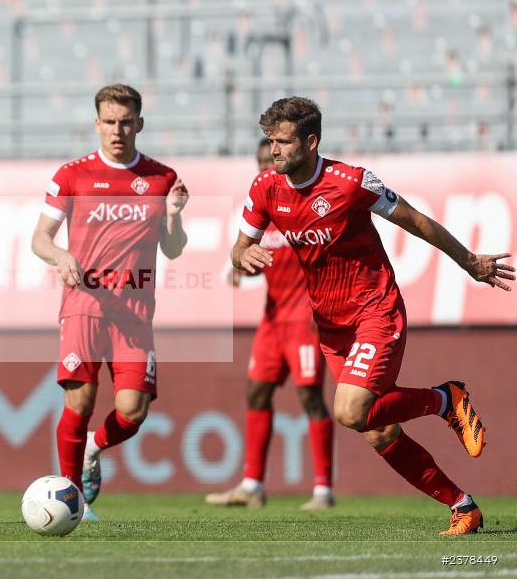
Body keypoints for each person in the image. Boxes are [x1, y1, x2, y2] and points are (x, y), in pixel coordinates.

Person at [233, 96, 514, 535]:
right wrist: (242, 255)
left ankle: (445, 399)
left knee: (349, 409)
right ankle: (463, 505)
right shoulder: (265, 188)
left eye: (283, 141)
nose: (274, 150)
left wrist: (469, 261)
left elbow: (417, 221)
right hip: (330, 325)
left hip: (375, 310)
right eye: (271, 140)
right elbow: (238, 247)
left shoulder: (351, 182)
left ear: (310, 141)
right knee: (378, 431)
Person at [31, 84, 189, 520]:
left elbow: (173, 249)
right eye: (109, 122)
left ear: (139, 123)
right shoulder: (72, 175)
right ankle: (71, 500)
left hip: (135, 311)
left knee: (133, 410)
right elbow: (40, 239)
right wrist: (62, 256)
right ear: (96, 124)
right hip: (84, 302)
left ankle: (93, 451)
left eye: (125, 122)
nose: (117, 130)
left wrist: (173, 216)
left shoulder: (161, 178)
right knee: (79, 402)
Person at [206, 138, 334, 510]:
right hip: (272, 318)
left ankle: (323, 490)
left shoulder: (302, 205)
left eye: (272, 157)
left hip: (306, 317)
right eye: (261, 159)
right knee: (256, 392)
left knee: (310, 396)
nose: (268, 164)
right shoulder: (261, 208)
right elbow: (248, 255)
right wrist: (238, 268)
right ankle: (252, 486)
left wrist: (321, 307)